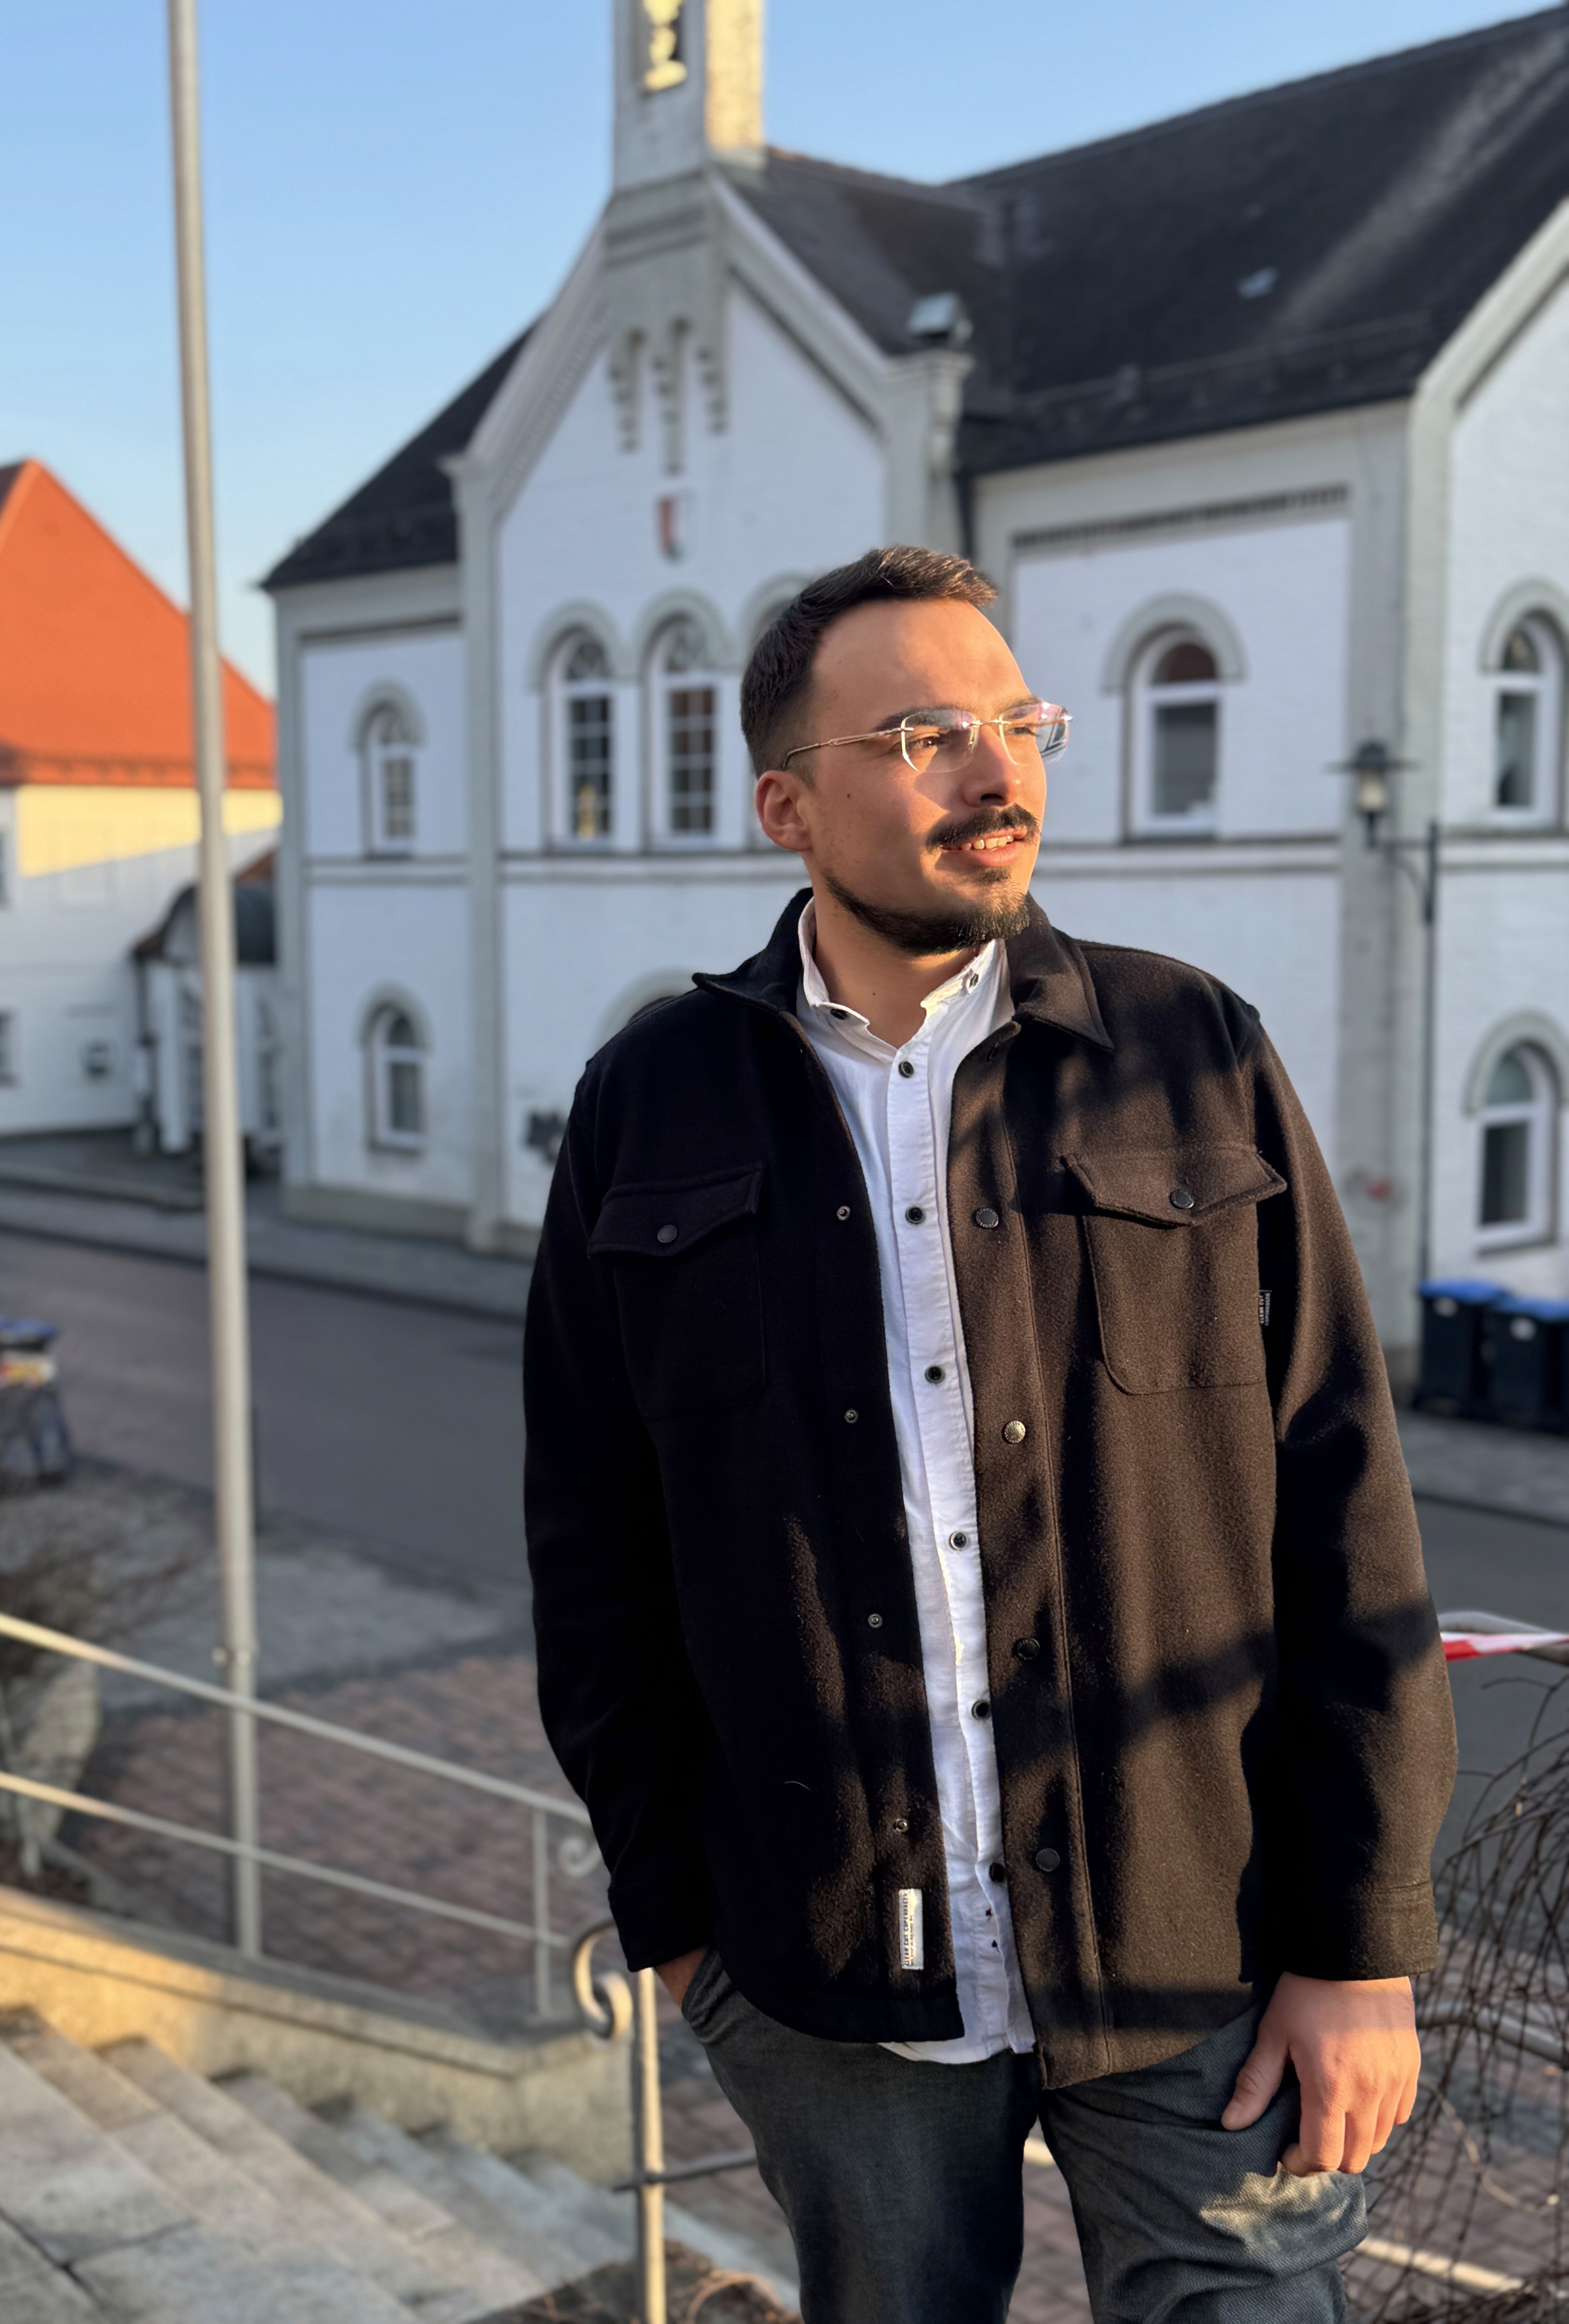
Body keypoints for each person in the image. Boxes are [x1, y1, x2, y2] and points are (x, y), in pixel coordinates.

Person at [526, 546, 1455, 2322]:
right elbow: (593, 1537)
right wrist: (679, 1918)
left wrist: (1364, 1947)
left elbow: (1348, 1503)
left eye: (1019, 722)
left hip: (1206, 1943)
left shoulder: (1191, 1051)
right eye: (927, 733)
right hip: (826, 1970)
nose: (999, 772)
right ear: (789, 803)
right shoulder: (652, 1101)